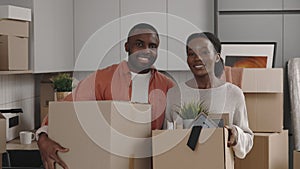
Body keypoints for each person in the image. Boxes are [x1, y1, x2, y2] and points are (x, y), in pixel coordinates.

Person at [36, 23, 175, 169]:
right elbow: (65, 107)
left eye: (152, 46)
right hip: (109, 163)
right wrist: (42, 137)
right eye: (139, 44)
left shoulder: (167, 85)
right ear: (127, 46)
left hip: (150, 163)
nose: (146, 50)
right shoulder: (102, 79)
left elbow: (177, 127)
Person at [164, 32, 253, 159]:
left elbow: (248, 140)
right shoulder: (174, 93)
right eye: (191, 53)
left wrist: (236, 136)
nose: (197, 58)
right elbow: (164, 136)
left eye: (204, 52)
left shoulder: (233, 94)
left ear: (217, 57)